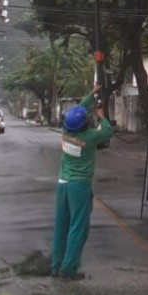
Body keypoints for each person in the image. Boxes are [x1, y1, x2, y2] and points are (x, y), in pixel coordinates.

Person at [50, 83, 115, 279]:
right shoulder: (90, 137)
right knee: (78, 228)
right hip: (79, 186)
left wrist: (92, 94)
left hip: (63, 184)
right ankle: (69, 269)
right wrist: (101, 115)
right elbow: (107, 131)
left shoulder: (65, 134)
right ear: (84, 125)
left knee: (61, 226)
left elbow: (77, 111)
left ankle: (56, 265)